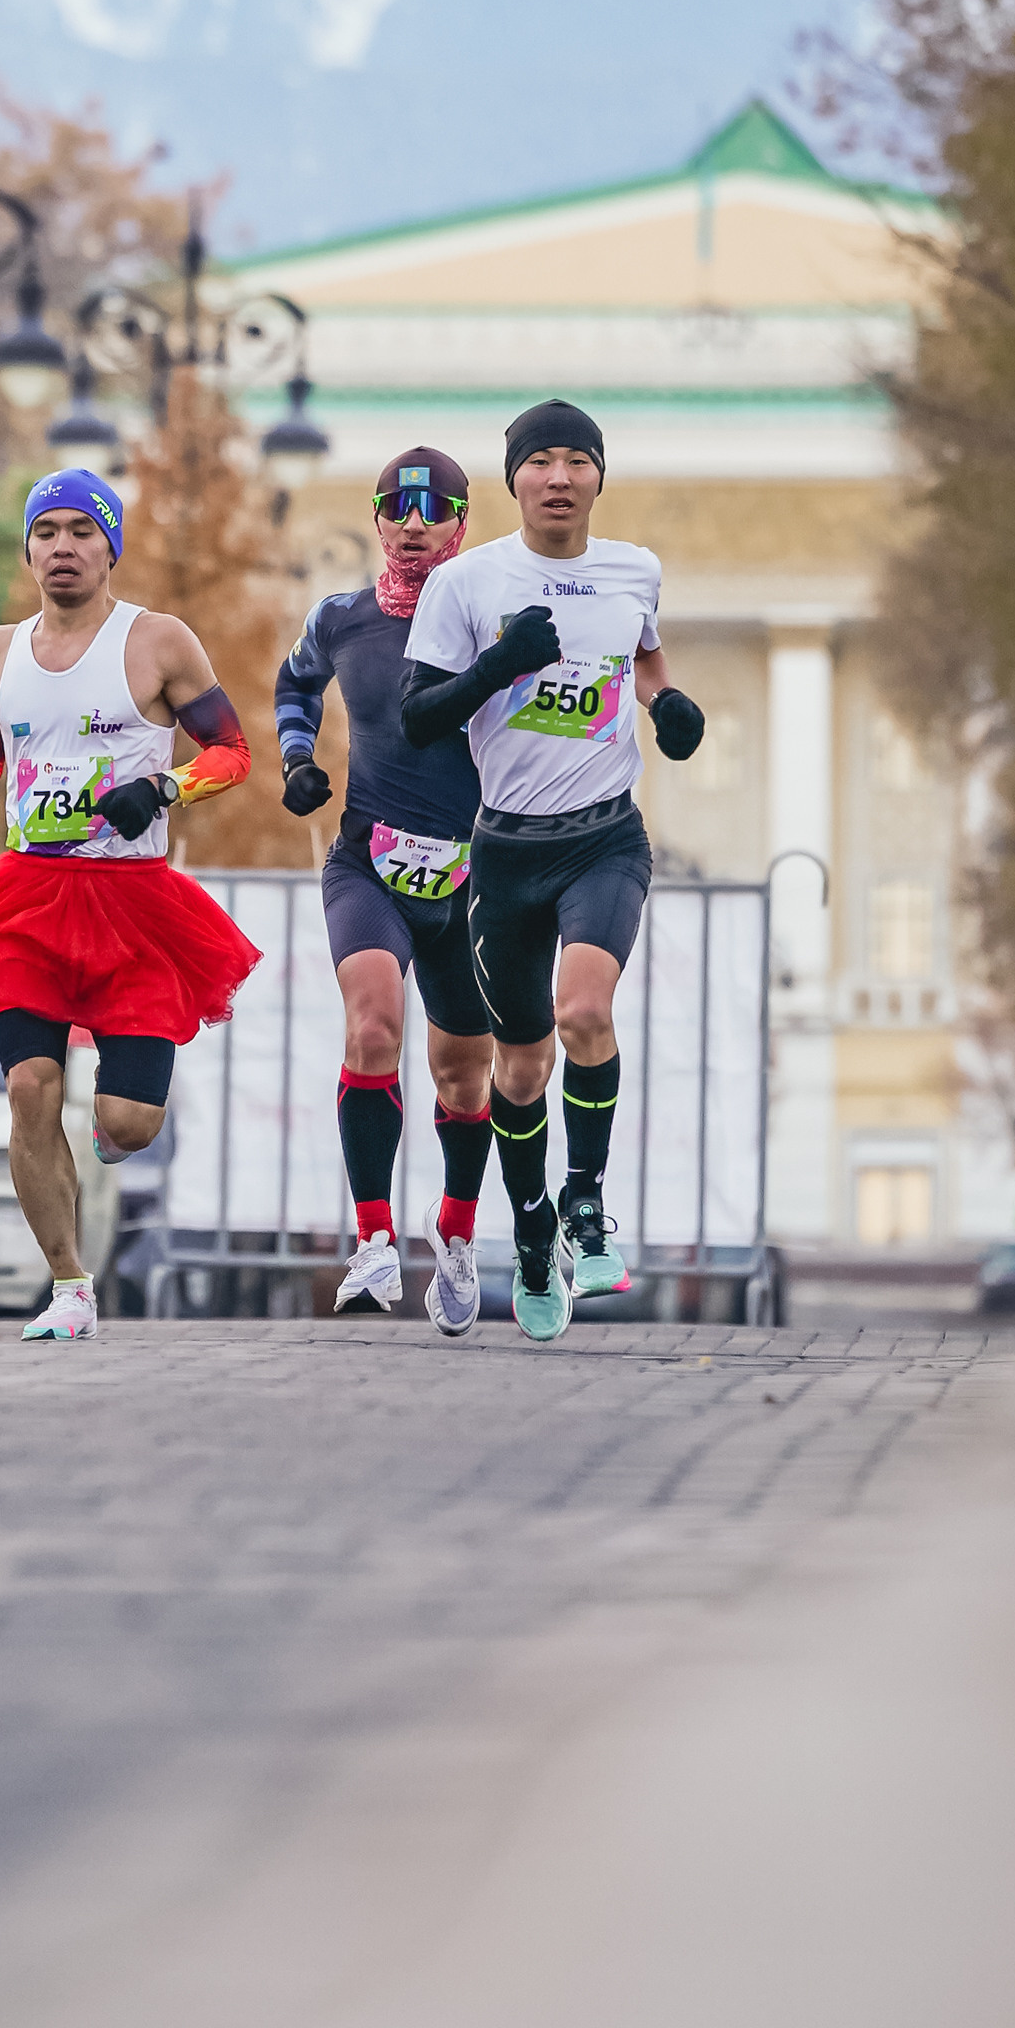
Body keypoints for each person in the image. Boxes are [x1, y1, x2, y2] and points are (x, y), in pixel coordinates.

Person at [0, 468, 260, 1341]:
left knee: (128, 1123)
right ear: (27, 550)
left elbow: (231, 752)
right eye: (46, 532)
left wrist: (161, 788)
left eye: (82, 531)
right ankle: (69, 1284)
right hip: (25, 899)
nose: (62, 547)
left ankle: (112, 1142)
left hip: (133, 903)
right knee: (29, 1087)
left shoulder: (156, 641)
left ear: (110, 548)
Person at [403, 398, 704, 1342]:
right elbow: (417, 717)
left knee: (583, 1012)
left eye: (578, 460)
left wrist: (665, 701)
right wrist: (499, 665)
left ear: (599, 477)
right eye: (541, 461)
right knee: (523, 1067)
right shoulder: (466, 582)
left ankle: (584, 1203)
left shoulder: (633, 569)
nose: (559, 477)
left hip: (603, 837)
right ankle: (532, 1235)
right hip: (505, 851)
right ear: (514, 480)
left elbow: (642, 652)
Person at [273, 446, 495, 1331]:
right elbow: (295, 682)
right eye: (396, 510)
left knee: (462, 1074)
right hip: (367, 861)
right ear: (374, 520)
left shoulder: (491, 622)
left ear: (460, 526)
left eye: (432, 511)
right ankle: (372, 1237)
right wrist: (297, 760)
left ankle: (457, 1234)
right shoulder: (340, 617)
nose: (412, 525)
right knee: (371, 1025)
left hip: (472, 879)